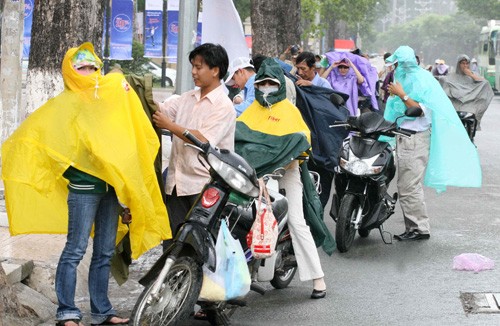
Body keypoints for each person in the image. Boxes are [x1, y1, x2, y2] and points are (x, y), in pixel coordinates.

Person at [2, 43, 170, 326]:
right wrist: (75, 170)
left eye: (93, 67)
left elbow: (123, 139)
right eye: (82, 67)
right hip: (83, 190)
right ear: (70, 71)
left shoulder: (107, 101)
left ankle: (102, 311)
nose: (89, 73)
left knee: (104, 252)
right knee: (76, 249)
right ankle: (67, 312)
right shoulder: (64, 107)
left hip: (111, 191)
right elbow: (47, 141)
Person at [235, 57, 329, 299]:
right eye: (262, 84)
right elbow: (240, 140)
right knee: (244, 217)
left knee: (297, 221)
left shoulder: (289, 111)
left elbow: (300, 143)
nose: (266, 88)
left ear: (279, 84)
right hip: (257, 175)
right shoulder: (251, 111)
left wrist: (280, 161)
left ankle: (318, 280)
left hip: (287, 171)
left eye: (271, 84)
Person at [384, 46, 482, 241]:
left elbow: (419, 110)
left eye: (400, 64)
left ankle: (419, 229)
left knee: (409, 186)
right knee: (406, 185)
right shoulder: (405, 79)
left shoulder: (421, 80)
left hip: (415, 138)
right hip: (403, 136)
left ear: (408, 63)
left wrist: (402, 94)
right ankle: (414, 226)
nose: (398, 68)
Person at [153, 43, 236, 248]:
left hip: (204, 186)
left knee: (198, 246)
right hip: (176, 183)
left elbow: (204, 139)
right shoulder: (187, 98)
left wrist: (170, 126)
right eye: (193, 66)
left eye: (199, 67)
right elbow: (161, 111)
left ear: (215, 70)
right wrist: (135, 91)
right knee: (171, 243)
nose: (193, 72)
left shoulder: (224, 106)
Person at [438, 54, 493, 130]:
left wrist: (471, 75)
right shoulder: (451, 76)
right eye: (463, 63)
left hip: (470, 106)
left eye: (467, 63)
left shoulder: (474, 75)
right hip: (456, 105)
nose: (465, 66)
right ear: (458, 64)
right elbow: (444, 82)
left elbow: (484, 83)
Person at [322, 52, 377, 116]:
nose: (342, 69)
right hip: (335, 109)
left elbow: (361, 80)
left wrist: (352, 65)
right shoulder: (333, 77)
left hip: (349, 110)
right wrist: (331, 66)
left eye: (345, 67)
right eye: (340, 67)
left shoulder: (352, 78)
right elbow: (321, 80)